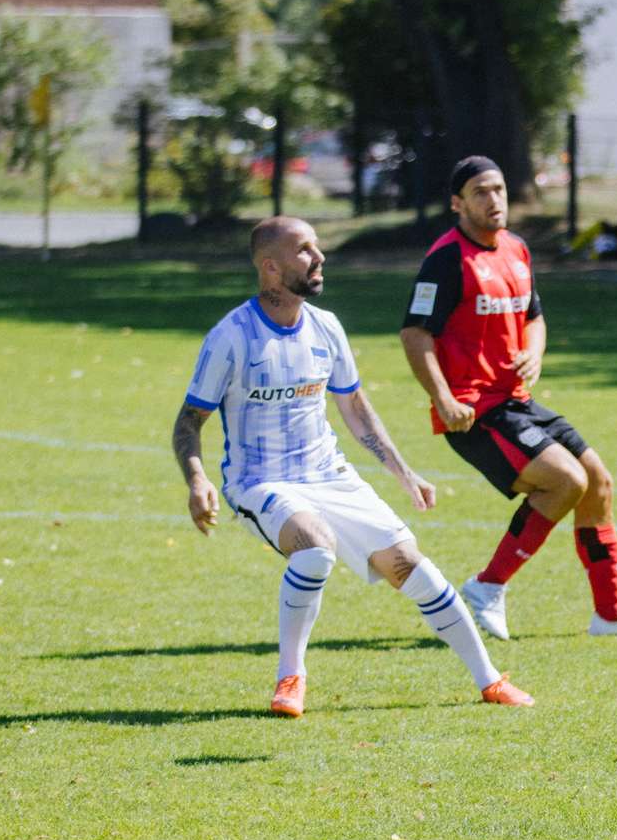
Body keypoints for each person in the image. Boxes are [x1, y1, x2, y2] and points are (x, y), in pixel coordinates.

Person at [173, 216, 533, 717]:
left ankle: (490, 680)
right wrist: (198, 479)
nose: (319, 258)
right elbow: (189, 421)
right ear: (272, 268)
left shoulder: (327, 328)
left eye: (318, 247)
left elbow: (356, 408)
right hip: (261, 482)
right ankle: (290, 678)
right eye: (305, 250)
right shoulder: (231, 336)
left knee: (409, 564)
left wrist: (403, 472)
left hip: (329, 475)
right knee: (315, 549)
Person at [400, 156, 617, 641]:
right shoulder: (446, 258)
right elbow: (415, 333)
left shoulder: (517, 251)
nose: (494, 200)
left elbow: (534, 317)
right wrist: (442, 399)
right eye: (481, 191)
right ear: (457, 203)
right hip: (474, 411)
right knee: (565, 482)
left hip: (517, 401)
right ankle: (486, 587)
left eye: (499, 189)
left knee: (598, 482)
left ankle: (609, 614)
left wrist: (534, 353)